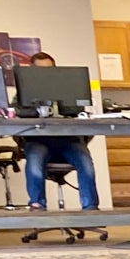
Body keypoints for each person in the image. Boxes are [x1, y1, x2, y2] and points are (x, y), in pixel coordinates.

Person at [17, 52, 99, 211]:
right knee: (34, 162)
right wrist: (38, 105)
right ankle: (37, 204)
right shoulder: (24, 91)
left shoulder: (67, 88)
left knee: (86, 164)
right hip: (38, 139)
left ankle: (90, 208)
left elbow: (77, 108)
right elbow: (18, 110)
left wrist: (58, 101)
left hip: (68, 140)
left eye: (49, 69)